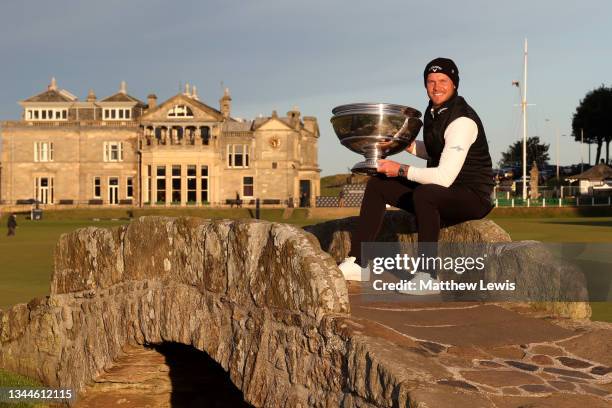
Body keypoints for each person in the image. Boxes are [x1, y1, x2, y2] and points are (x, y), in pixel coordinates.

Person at [338, 57, 494, 294]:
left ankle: (427, 275)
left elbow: (443, 178)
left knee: (425, 194)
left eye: (443, 80)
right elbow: (435, 150)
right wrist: (406, 145)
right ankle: (359, 263)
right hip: (445, 192)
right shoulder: (434, 112)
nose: (436, 86)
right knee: (379, 184)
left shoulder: (462, 120)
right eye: (431, 81)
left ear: (454, 84)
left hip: (473, 197)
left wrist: (400, 169)